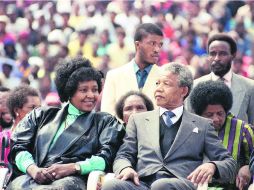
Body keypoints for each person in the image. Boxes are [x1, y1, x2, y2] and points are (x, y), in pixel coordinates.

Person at [102, 62, 237, 190]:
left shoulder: (203, 125)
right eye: (157, 83)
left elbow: (229, 163)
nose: (158, 89)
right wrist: (125, 168)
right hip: (141, 183)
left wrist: (212, 166)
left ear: (183, 91)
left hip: (179, 183)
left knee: (161, 186)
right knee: (111, 186)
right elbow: (123, 155)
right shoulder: (138, 120)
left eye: (166, 84)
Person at [7, 57, 125, 190]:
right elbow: (18, 146)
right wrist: (32, 169)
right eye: (84, 90)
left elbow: (106, 156)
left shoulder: (105, 121)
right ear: (69, 91)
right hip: (32, 176)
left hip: (72, 180)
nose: (91, 95)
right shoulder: (40, 115)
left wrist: (74, 167)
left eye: (95, 89)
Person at [190, 80, 254, 190]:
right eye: (209, 115)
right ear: (199, 114)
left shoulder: (243, 129)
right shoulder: (189, 128)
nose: (216, 119)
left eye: (220, 113)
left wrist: (248, 168)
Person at [188, 33, 254, 125]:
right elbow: (190, 125)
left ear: (233, 55)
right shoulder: (194, 86)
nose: (217, 58)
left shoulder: (250, 87)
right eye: (212, 54)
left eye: (223, 54)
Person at [101, 23, 163, 116]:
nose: (157, 49)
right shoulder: (114, 76)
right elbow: (107, 115)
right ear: (138, 45)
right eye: (152, 43)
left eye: (160, 45)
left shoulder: (165, 77)